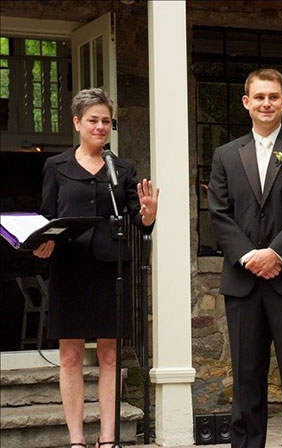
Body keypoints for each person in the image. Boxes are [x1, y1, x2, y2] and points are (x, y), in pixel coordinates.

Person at [207, 68, 282, 448]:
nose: (266, 103)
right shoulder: (226, 154)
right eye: (259, 97)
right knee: (246, 375)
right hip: (243, 282)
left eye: (273, 97)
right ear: (246, 102)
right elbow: (219, 214)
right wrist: (248, 256)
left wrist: (276, 253)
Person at [32, 88, 159, 448]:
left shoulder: (122, 169)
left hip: (110, 268)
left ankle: (107, 438)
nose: (101, 126)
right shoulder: (55, 165)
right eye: (93, 120)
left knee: (110, 354)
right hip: (69, 268)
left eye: (106, 120)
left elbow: (140, 218)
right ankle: (76, 439)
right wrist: (43, 242)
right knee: (70, 354)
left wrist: (148, 215)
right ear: (77, 123)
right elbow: (47, 215)